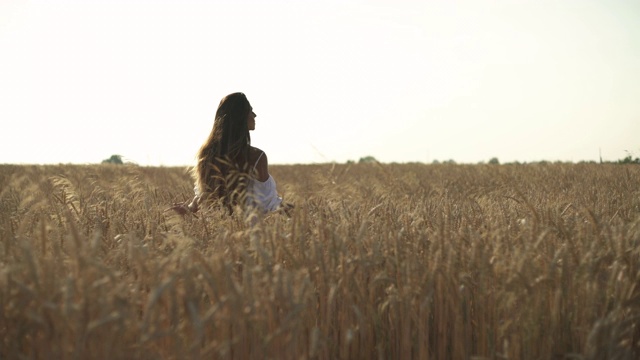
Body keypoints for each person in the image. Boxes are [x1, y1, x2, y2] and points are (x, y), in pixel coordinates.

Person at [169, 92, 293, 217]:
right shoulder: (256, 156)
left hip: (218, 227)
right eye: (250, 111)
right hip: (249, 228)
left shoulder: (207, 153)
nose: (255, 115)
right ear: (240, 117)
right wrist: (296, 212)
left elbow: (205, 194)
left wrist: (189, 208)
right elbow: (268, 204)